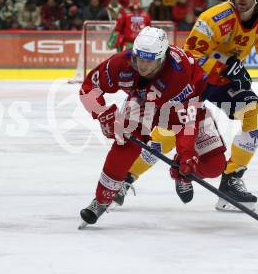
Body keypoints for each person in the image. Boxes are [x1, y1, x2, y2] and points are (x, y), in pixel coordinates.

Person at [113, 0, 258, 212]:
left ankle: (231, 179)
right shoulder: (215, 17)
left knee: (257, 116)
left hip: (223, 85)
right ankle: (124, 179)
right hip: (193, 82)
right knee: (166, 137)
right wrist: (223, 67)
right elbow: (191, 55)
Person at [78, 27, 227, 226]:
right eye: (140, 58)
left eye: (150, 61)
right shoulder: (119, 64)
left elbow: (186, 121)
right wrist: (102, 113)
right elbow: (87, 88)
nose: (143, 66)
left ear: (162, 58)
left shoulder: (178, 73)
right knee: (127, 141)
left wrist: (186, 153)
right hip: (144, 102)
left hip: (186, 105)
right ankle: (102, 199)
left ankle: (181, 173)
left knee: (215, 164)